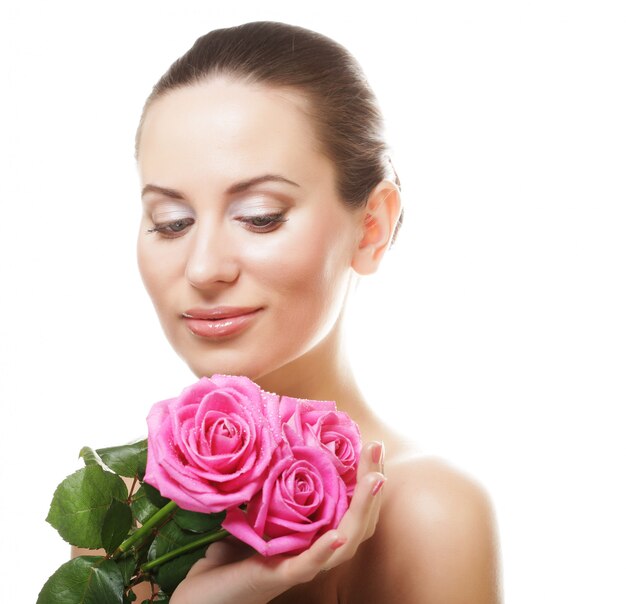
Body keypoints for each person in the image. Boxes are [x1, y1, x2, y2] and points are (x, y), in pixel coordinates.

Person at [75, 20, 502, 603]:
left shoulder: (428, 514)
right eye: (171, 222)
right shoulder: (121, 511)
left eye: (259, 215)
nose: (203, 268)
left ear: (372, 227)